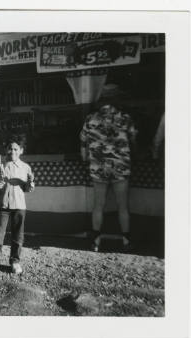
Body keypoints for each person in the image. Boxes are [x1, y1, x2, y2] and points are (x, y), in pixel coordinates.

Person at [79, 83, 137, 252]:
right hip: (121, 167)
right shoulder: (125, 118)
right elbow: (133, 142)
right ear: (117, 98)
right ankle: (126, 240)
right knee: (123, 206)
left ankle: (96, 241)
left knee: (98, 205)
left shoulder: (91, 119)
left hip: (98, 168)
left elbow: (82, 142)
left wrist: (85, 159)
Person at [0, 135, 34, 276]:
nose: (12, 152)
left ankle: (15, 262)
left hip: (19, 206)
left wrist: (30, 183)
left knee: (18, 236)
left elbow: (28, 188)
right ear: (6, 150)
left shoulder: (26, 167)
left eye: (15, 149)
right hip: (3, 206)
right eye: (10, 149)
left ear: (21, 150)